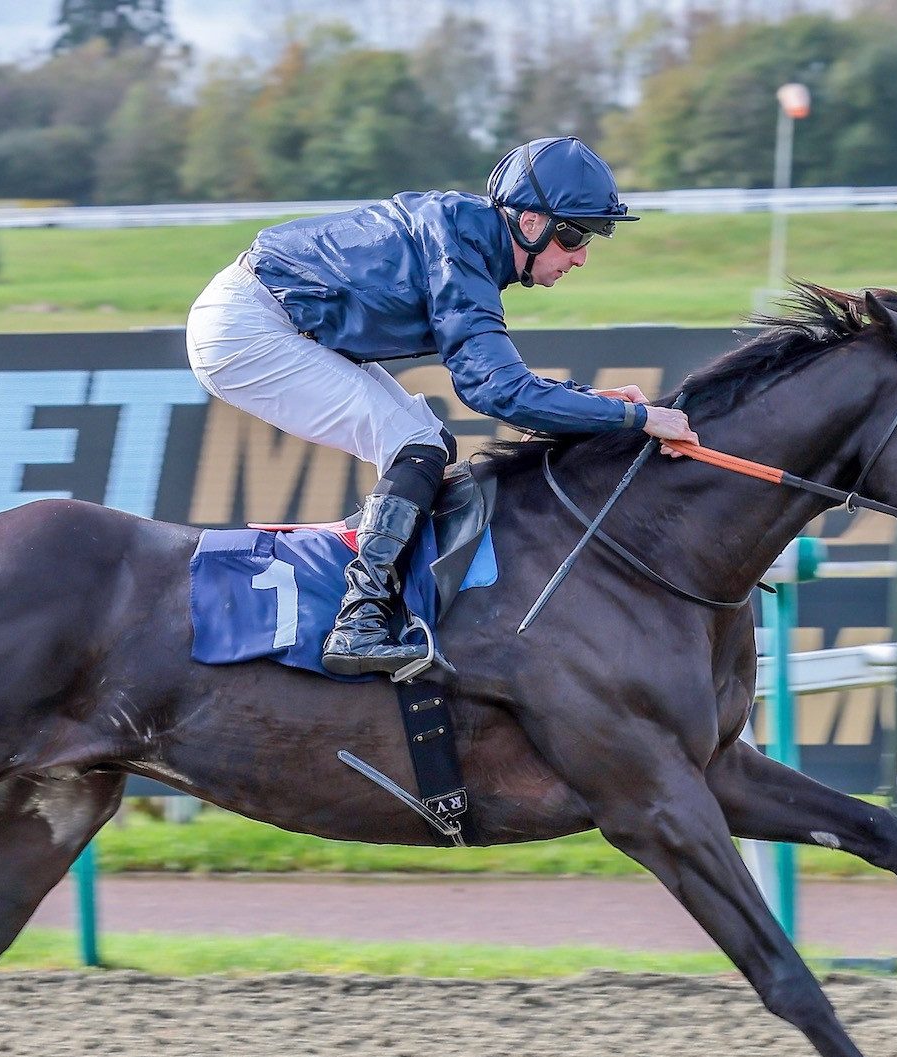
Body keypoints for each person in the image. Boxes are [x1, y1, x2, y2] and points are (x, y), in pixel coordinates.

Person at [186, 135, 699, 678]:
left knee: (429, 441)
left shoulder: (467, 239)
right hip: (248, 328)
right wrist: (638, 418)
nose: (581, 256)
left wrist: (586, 400)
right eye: (572, 234)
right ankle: (359, 622)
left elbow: (499, 380)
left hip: (278, 320)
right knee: (416, 444)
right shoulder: (459, 248)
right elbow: (496, 392)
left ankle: (370, 597)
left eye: (591, 236)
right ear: (529, 223)